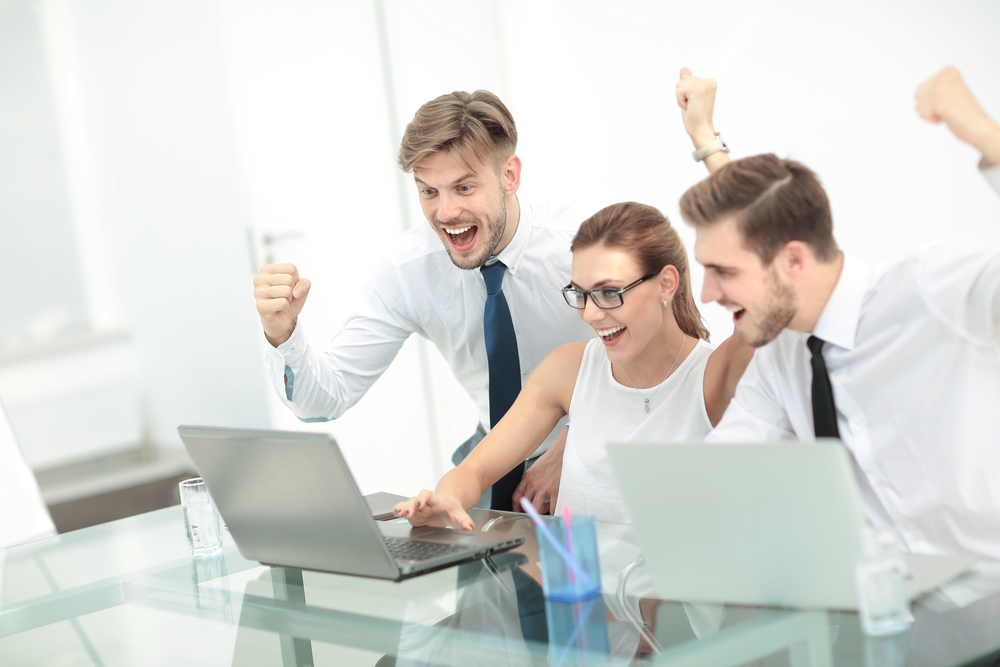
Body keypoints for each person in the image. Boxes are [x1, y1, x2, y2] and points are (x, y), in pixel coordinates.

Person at [680, 67, 1000, 559]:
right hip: (898, 616)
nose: (705, 294)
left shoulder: (930, 288)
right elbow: (718, 478)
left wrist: (984, 133)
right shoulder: (779, 356)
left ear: (794, 260)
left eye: (722, 272)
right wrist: (705, 139)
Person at [252, 91, 596, 512]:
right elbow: (324, 398)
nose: (446, 212)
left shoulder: (581, 240)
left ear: (509, 175)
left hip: (600, 442)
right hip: (491, 464)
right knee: (465, 565)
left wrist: (575, 440)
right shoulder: (410, 269)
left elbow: (660, 354)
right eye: (428, 191)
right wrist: (282, 334)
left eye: (463, 187)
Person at [394, 200, 754, 530]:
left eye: (610, 293)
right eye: (580, 294)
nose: (591, 314)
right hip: (586, 600)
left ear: (666, 283)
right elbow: (473, 469)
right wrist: (448, 499)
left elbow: (767, 272)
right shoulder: (568, 369)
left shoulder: (714, 375)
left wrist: (707, 145)